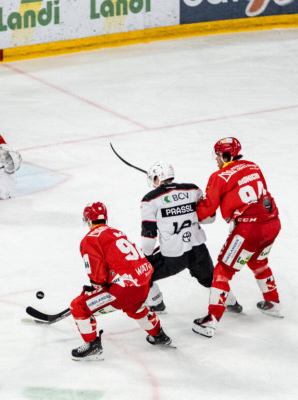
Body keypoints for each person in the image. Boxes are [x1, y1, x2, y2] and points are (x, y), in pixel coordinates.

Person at [192, 137, 282, 338]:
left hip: (249, 229)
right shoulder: (253, 166)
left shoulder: (218, 177)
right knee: (258, 261)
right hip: (273, 224)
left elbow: (206, 211)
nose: (216, 160)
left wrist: (193, 208)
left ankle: (211, 321)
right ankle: (273, 302)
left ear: (226, 156)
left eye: (217, 155)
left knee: (222, 271)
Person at [70, 201, 173, 361]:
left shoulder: (90, 239)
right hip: (143, 283)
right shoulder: (116, 232)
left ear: (89, 220)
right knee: (134, 307)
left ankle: (92, 346)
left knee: (79, 306)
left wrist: (96, 287)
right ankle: (158, 335)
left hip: (123, 289)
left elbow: (98, 276)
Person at [140, 161, 241, 313]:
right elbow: (209, 218)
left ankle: (156, 303)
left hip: (173, 256)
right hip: (198, 250)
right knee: (210, 279)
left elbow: (149, 234)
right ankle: (232, 303)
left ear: (157, 178)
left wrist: (145, 257)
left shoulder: (150, 200)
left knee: (142, 275)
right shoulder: (192, 189)